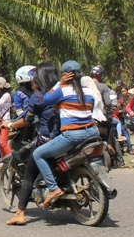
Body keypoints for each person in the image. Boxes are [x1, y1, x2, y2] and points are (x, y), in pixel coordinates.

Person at [33, 60, 98, 207]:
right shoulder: (88, 91)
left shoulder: (63, 90)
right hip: (92, 133)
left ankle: (53, 188)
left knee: (38, 154)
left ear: (65, 76)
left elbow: (47, 100)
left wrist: (59, 83)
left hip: (72, 136)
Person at [7, 62, 60, 225]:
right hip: (62, 137)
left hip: (45, 139)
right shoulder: (60, 92)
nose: (32, 80)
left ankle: (20, 213)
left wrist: (8, 125)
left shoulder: (38, 96)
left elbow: (26, 120)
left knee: (28, 175)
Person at [0, 77, 12, 163]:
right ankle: (4, 161)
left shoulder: (6, 95)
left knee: (3, 142)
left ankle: (13, 159)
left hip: (5, 121)